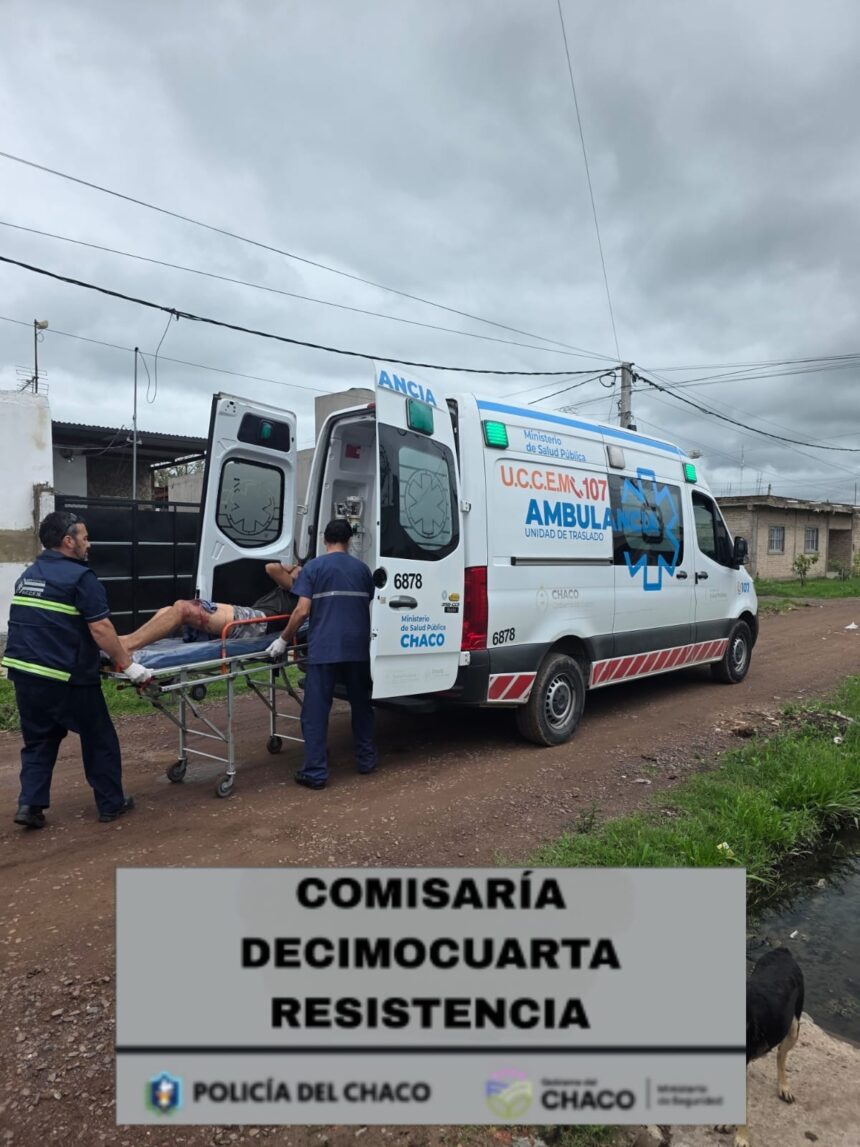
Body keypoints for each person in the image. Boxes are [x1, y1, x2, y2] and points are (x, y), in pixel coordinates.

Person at [2, 511, 152, 828]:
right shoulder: (81, 578)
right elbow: (100, 629)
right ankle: (111, 804)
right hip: (65, 677)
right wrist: (129, 666)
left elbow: (49, 624)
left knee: (39, 740)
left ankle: (30, 806)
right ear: (68, 541)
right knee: (99, 738)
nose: (89, 543)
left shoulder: (30, 575)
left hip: (24, 673)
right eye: (84, 537)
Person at [267, 519, 376, 789]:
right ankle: (366, 760)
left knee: (315, 712)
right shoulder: (363, 570)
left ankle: (315, 772)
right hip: (357, 647)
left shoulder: (314, 568)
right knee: (361, 705)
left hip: (326, 647)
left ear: (324, 540)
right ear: (349, 541)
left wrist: (282, 640)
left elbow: (302, 611)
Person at [121, 562, 301, 653]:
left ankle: (128, 645)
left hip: (258, 622)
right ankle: (129, 641)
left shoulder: (298, 587)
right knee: (170, 610)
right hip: (251, 617)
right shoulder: (293, 589)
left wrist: (296, 568)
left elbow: (271, 568)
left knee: (183, 609)